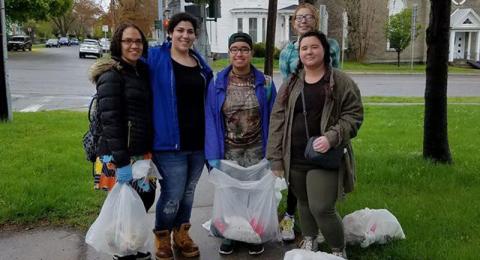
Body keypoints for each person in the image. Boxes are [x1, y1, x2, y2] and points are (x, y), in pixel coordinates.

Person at [267, 30, 363, 259]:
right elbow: (277, 119)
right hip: (295, 155)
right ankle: (310, 240)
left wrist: (332, 137)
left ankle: (339, 250)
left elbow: (354, 114)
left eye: (314, 46)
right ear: (298, 54)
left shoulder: (340, 81)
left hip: (325, 157)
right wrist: (276, 158)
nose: (308, 51)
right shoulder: (291, 83)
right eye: (304, 48)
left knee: (321, 207)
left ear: (324, 50)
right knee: (303, 202)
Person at [146, 12, 213, 260]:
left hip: (197, 142)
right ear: (170, 32)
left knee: (188, 192)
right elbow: (128, 72)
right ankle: (162, 237)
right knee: (172, 193)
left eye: (190, 31)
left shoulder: (200, 64)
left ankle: (182, 234)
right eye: (180, 30)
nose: (185, 35)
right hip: (168, 143)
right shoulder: (155, 57)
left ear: (195, 36)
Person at [204, 32, 277, 256]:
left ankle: (254, 234)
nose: (239, 54)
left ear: (251, 53)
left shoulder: (265, 82)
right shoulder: (217, 81)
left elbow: (275, 118)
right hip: (229, 150)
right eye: (235, 49)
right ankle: (231, 235)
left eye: (244, 49)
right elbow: (210, 117)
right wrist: (213, 153)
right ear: (229, 53)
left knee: (255, 195)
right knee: (231, 194)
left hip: (257, 149)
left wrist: (273, 151)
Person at [89, 22, 155, 260]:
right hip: (120, 155)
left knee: (143, 201)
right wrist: (122, 161)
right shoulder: (111, 75)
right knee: (123, 207)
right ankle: (122, 251)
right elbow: (110, 121)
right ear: (118, 44)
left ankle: (131, 245)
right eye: (128, 41)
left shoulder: (141, 71)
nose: (133, 46)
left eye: (138, 41)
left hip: (141, 152)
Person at [277, 2, 341, 242]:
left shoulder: (330, 46)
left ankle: (323, 222)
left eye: (308, 17)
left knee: (322, 172)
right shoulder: (287, 52)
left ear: (316, 21)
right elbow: (287, 89)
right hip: (298, 119)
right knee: (298, 177)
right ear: (293, 23)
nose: (303, 20)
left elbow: (337, 79)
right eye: (298, 18)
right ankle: (290, 218)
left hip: (323, 118)